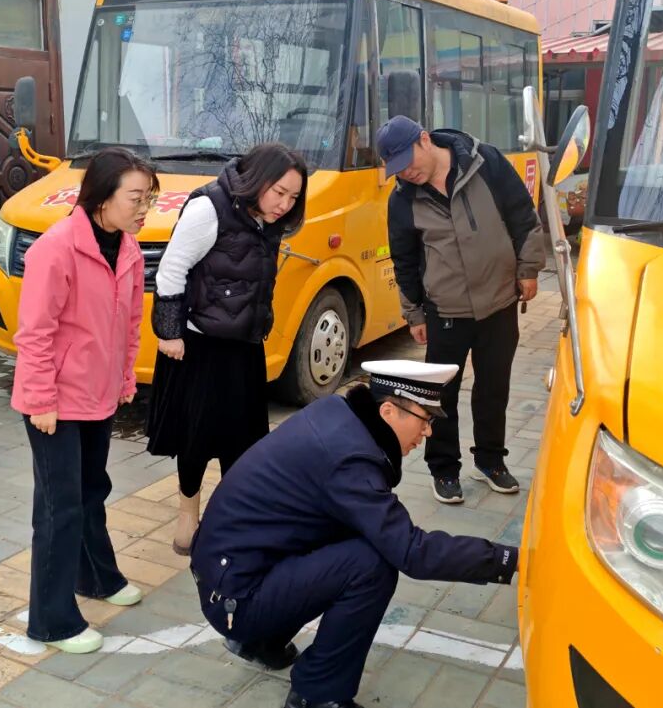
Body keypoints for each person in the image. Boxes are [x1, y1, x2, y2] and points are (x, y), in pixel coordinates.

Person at [190, 360, 519, 708]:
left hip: (226, 575)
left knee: (356, 533)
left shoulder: (339, 416)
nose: (428, 433)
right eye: (425, 419)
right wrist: (507, 560)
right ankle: (318, 695)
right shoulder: (349, 460)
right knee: (371, 566)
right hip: (236, 599)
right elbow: (412, 551)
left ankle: (262, 640)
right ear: (389, 410)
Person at [11, 147, 159, 653]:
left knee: (92, 490)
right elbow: (34, 333)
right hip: (53, 402)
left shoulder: (129, 248)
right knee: (58, 509)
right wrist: (39, 401)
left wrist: (123, 380)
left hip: (97, 396)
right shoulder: (56, 249)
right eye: (136, 198)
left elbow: (130, 325)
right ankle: (51, 620)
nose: (145, 209)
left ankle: (97, 578)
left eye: (149, 198)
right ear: (102, 197)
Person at [145, 143, 308, 556]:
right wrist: (169, 333)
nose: (285, 205)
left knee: (245, 441)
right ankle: (188, 515)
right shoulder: (209, 208)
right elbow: (171, 269)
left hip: (244, 345)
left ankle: (233, 518)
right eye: (280, 193)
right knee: (195, 438)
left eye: (293, 197)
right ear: (258, 180)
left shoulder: (267, 221)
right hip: (199, 346)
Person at [376, 115, 545, 505]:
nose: (407, 173)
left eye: (408, 162)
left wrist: (528, 269)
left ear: (424, 139)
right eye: (397, 169)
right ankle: (444, 469)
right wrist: (414, 313)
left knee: (493, 387)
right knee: (441, 396)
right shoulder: (403, 198)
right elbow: (403, 259)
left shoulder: (485, 162)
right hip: (445, 309)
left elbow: (522, 215)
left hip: (500, 301)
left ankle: (491, 461)